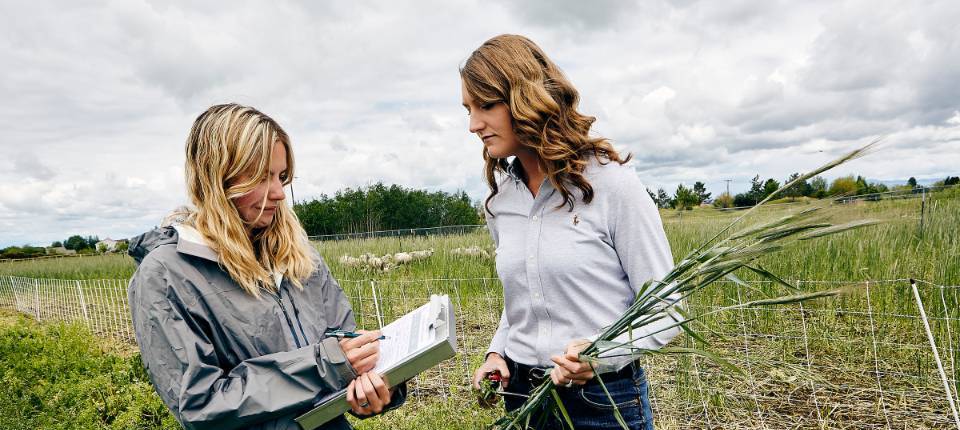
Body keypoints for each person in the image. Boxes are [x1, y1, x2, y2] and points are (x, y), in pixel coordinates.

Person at [127, 103, 404, 430]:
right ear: (218, 177)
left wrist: (368, 384)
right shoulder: (167, 276)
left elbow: (339, 344)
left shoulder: (299, 256)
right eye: (262, 177)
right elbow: (201, 405)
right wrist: (323, 366)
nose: (278, 193)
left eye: (281, 176)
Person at [463, 35, 681, 429]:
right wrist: (496, 354)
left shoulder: (611, 185)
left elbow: (666, 310)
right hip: (522, 398)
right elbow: (523, 300)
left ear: (525, 97)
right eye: (468, 109)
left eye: (486, 105)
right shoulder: (500, 201)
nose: (474, 124)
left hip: (600, 402)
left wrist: (601, 353)